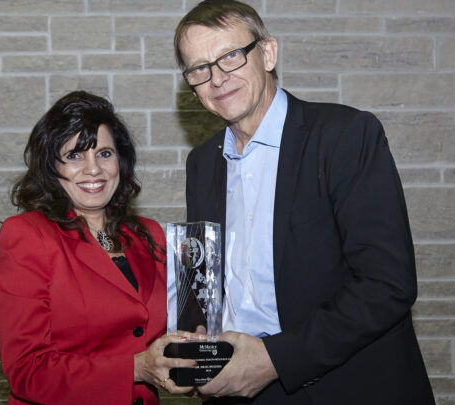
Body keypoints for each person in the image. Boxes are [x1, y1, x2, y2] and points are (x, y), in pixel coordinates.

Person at [173, 1, 436, 404]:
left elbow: (387, 285)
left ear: (267, 53)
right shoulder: (202, 163)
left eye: (230, 57)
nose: (217, 79)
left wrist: (273, 360)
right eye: (199, 68)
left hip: (345, 387)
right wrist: (197, 344)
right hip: (238, 391)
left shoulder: (345, 136)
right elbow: (211, 284)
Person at [0, 91, 199, 405]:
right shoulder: (27, 236)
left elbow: (162, 335)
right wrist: (136, 368)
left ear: (120, 161)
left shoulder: (150, 235)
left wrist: (198, 355)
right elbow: (27, 371)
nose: (93, 169)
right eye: (75, 155)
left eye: (104, 153)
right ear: (51, 167)